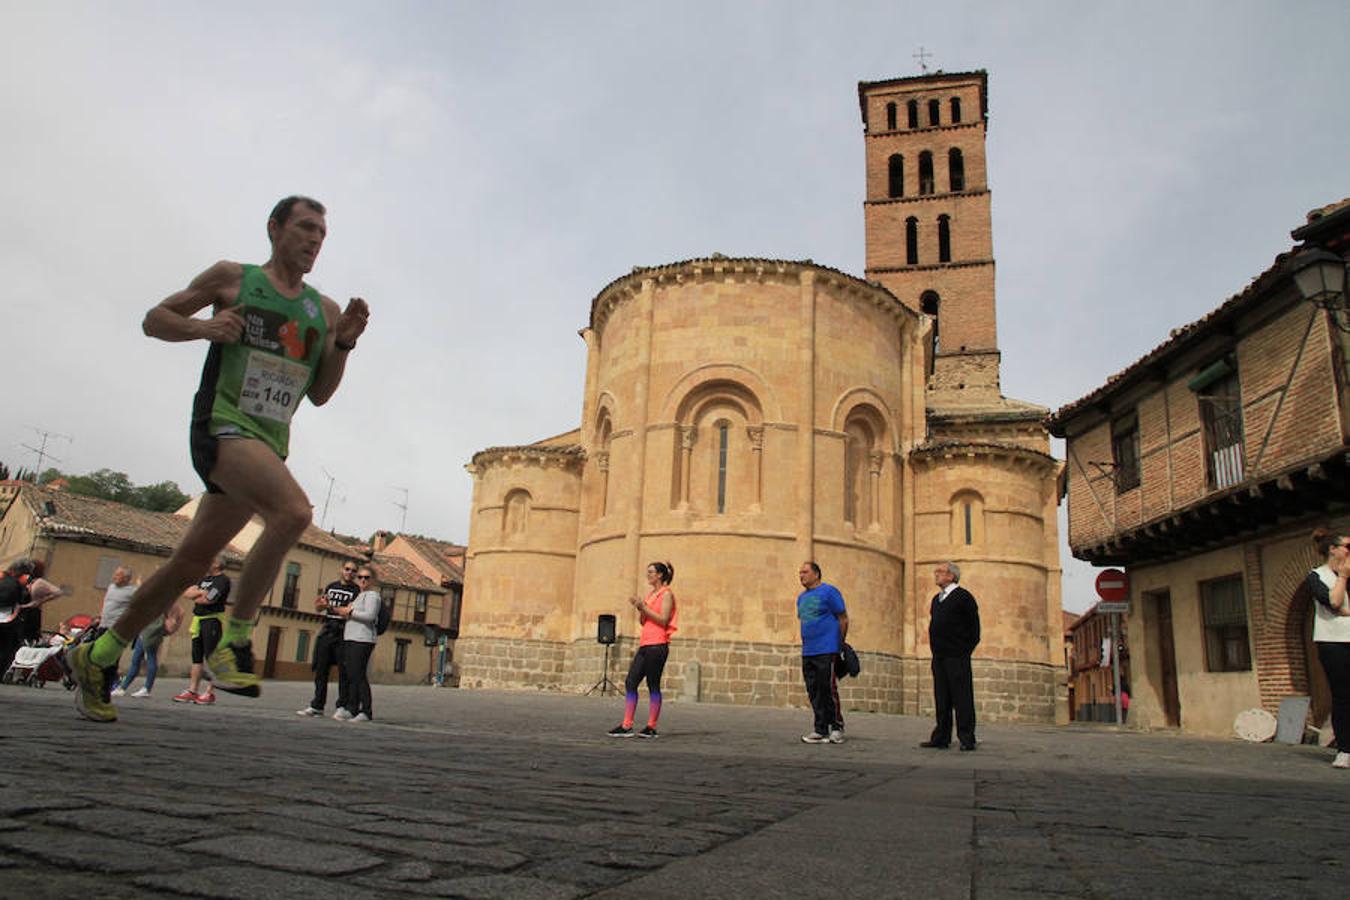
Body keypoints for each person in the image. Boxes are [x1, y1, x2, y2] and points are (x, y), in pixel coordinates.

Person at [69, 195, 370, 723]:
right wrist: (205, 328)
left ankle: (98, 655)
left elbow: (320, 393)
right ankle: (234, 639)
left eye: (322, 233)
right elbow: (155, 319)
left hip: (268, 442)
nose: (315, 239)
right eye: (305, 227)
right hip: (222, 427)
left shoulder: (321, 311)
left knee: (188, 562)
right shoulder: (233, 278)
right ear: (275, 228)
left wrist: (342, 344)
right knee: (294, 513)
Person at [607, 561, 678, 738]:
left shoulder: (666, 594)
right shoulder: (651, 594)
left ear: (660, 575)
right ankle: (626, 725)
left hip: (658, 645)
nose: (648, 575)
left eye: (651, 572)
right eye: (648, 572)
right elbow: (642, 621)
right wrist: (641, 607)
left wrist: (643, 607)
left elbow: (663, 620)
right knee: (631, 682)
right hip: (645, 644)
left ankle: (651, 726)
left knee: (653, 684)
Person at [921, 562, 981, 751]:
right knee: (942, 697)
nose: (936, 574)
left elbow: (974, 629)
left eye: (940, 572)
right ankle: (941, 736)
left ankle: (966, 737)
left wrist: (964, 651)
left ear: (951, 576)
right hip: (939, 656)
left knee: (962, 697)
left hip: (957, 656)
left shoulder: (963, 597)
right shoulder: (936, 599)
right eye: (936, 571)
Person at [1308, 527, 1350, 770]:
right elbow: (1334, 602)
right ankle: (1345, 749)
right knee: (1344, 696)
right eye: (1347, 546)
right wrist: (1343, 577)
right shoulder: (1317, 576)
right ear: (1333, 550)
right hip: (1334, 643)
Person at [298, 560, 361, 718]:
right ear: (341, 570)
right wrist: (321, 605)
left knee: (343, 673)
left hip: (344, 634)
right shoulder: (331, 586)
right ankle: (317, 705)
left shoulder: (357, 591)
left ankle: (342, 705)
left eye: (353, 571)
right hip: (327, 631)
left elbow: (348, 611)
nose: (350, 572)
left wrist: (331, 607)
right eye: (347, 569)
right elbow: (319, 607)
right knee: (321, 670)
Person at [796, 561, 848, 745]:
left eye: (805, 572)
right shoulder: (801, 598)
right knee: (814, 690)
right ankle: (820, 728)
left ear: (816, 574)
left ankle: (836, 726)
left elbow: (843, 618)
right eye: (800, 572)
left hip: (827, 649)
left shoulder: (829, 592)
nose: (801, 575)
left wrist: (839, 643)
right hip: (808, 650)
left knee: (828, 688)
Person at [174, 558, 232, 705]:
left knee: (212, 658)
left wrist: (197, 595)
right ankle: (192, 690)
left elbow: (208, 600)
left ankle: (209, 692)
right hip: (198, 620)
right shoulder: (204, 579)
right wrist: (201, 592)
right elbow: (187, 593)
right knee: (196, 657)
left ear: (217, 564)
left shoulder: (222, 581)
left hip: (212, 621)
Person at [334, 566, 380, 723]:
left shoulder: (372, 596)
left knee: (358, 675)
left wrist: (349, 612)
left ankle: (366, 711)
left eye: (366, 577)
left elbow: (370, 616)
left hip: (363, 639)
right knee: (351, 675)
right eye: (360, 577)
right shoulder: (359, 596)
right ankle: (352, 708)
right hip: (351, 638)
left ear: (372, 580)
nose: (362, 580)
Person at [112, 601, 184, 698]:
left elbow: (180, 611)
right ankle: (124, 688)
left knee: (149, 657)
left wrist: (172, 621)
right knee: (137, 659)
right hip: (145, 627)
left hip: (152, 628)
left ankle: (144, 688)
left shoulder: (164, 596)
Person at [97, 567, 138, 635]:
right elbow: (106, 602)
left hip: (115, 628)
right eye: (115, 574)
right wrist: (100, 617)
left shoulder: (133, 591)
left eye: (117, 575)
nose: (114, 577)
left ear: (126, 578)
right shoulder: (111, 587)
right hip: (102, 625)